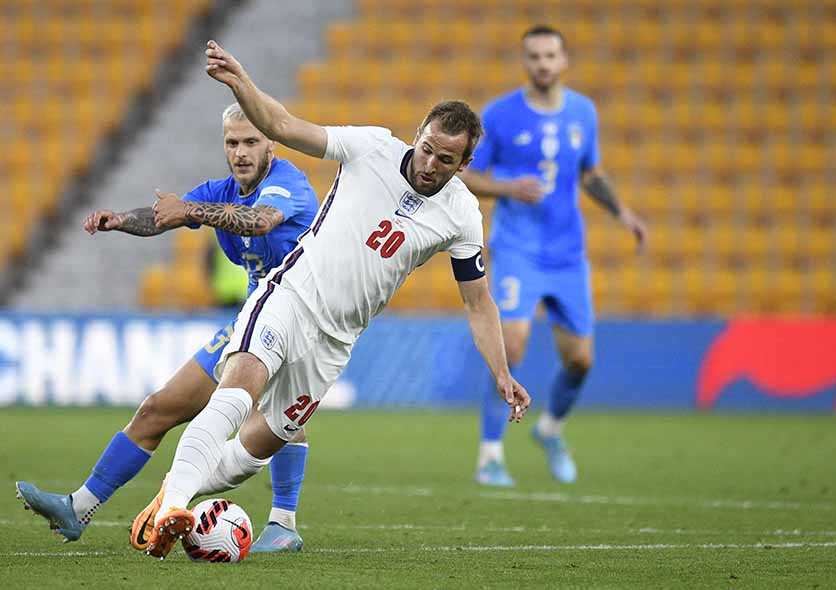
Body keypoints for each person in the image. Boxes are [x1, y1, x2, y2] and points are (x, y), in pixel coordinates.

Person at [135, 40, 532, 559]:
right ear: (418, 134)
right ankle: (174, 510)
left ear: (465, 164)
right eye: (428, 148)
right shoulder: (371, 147)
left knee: (257, 449)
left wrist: (501, 373)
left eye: (446, 159)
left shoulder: (462, 214)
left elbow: (478, 303)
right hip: (293, 295)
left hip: (336, 341)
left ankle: (170, 498)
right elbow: (281, 126)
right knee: (236, 392)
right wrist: (241, 83)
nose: (430, 163)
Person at [15, 103, 318, 553]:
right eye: (232, 142)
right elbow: (166, 215)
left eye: (251, 141)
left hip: (300, 314)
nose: (240, 152)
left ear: (271, 142)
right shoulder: (221, 189)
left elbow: (260, 221)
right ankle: (78, 507)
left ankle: (283, 520)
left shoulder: (287, 184)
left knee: (276, 418)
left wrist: (193, 209)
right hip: (250, 318)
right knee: (158, 408)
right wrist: (121, 221)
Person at [459, 25, 648, 487]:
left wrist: (623, 213)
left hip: (568, 254)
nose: (543, 63)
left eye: (550, 56)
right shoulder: (500, 115)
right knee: (515, 345)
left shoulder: (583, 112)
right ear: (525, 62)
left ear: (564, 61)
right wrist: (508, 188)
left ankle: (550, 430)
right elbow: (466, 176)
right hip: (519, 249)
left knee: (581, 360)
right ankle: (490, 455)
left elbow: (591, 173)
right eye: (534, 56)